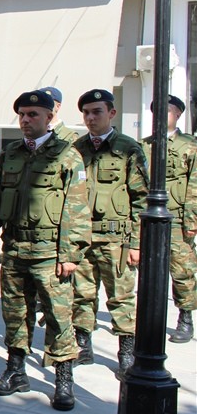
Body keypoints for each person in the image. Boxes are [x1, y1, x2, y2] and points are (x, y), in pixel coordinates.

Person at [0, 90, 89, 411]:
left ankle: (63, 378)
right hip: (15, 249)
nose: (25, 120)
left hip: (51, 253)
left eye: (33, 115)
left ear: (50, 117)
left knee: (58, 314)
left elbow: (76, 209)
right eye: (22, 115)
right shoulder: (11, 154)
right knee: (14, 313)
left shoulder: (67, 155)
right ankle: (16, 370)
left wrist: (69, 254)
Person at [72, 89, 148, 378]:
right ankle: (83, 344)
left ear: (111, 114)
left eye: (97, 112)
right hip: (83, 236)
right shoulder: (77, 149)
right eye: (87, 113)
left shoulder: (129, 148)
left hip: (117, 239)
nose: (91, 118)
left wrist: (137, 243)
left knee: (121, 296)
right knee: (82, 293)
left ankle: (126, 351)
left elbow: (141, 198)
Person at [143, 95, 196, 343]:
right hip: (147, 218)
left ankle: (185, 316)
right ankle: (147, 318)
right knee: (148, 270)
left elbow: (195, 186)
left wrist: (192, 221)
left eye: (168, 111)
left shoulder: (190, 146)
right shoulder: (144, 146)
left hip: (177, 219)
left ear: (178, 115)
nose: (162, 116)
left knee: (182, 269)